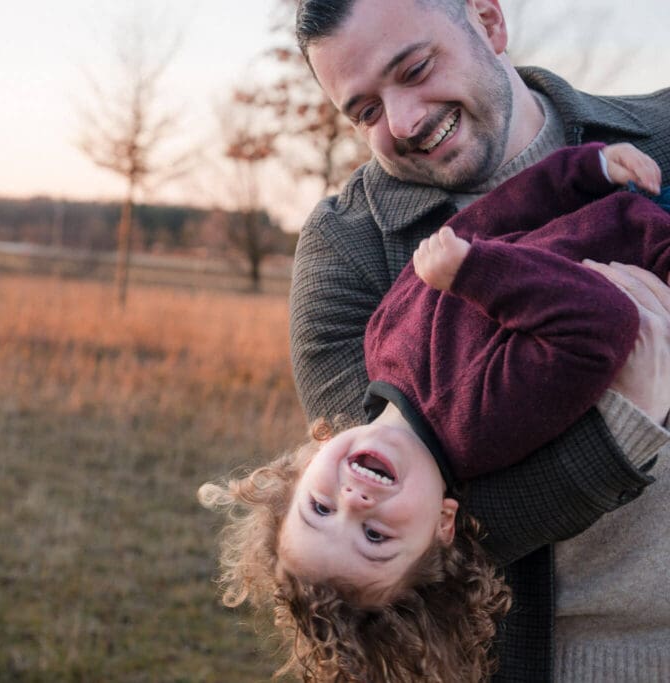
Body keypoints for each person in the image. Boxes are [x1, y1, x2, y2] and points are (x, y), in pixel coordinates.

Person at [280, 0, 670, 679]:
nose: (403, 122)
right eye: (366, 111)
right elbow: (427, 526)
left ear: (489, 22)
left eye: (416, 68)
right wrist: (623, 425)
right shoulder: (347, 249)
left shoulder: (659, 133)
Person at [200, 143, 670, 681]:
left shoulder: (380, 345)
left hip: (627, 197)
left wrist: (585, 168)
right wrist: (473, 274)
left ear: (305, 466)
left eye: (321, 511)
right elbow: (604, 326)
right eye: (375, 537)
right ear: (443, 525)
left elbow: (489, 220)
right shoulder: (482, 425)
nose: (354, 501)